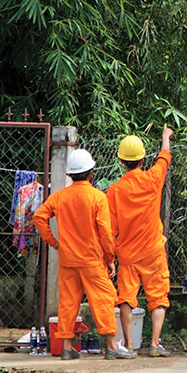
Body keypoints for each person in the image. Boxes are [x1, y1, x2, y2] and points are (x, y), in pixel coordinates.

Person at [33, 149, 135, 361]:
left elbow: (39, 217)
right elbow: (105, 233)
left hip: (68, 260)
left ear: (70, 175)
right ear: (91, 173)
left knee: (68, 303)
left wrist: (54, 242)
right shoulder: (98, 197)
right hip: (92, 261)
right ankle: (112, 346)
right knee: (104, 299)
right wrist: (110, 259)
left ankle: (67, 348)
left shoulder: (59, 197)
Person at [107, 126, 173, 356]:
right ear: (142, 159)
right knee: (159, 296)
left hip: (127, 254)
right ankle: (155, 343)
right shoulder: (153, 179)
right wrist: (165, 137)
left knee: (126, 297)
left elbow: (111, 228)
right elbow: (164, 156)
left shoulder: (114, 191)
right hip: (153, 250)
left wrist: (110, 256)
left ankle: (129, 345)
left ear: (121, 161)